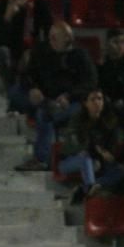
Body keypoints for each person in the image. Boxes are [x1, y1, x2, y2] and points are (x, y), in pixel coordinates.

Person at [13, 21, 97, 172]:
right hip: (44, 97)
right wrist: (33, 88)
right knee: (16, 92)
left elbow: (90, 83)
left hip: (72, 102)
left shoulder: (80, 56)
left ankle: (41, 159)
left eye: (55, 38)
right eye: (50, 37)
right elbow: (27, 74)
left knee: (45, 113)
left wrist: (69, 97)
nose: (51, 41)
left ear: (67, 38)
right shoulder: (43, 51)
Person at [57, 90, 124, 204]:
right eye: (93, 99)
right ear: (86, 103)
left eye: (100, 99)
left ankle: (87, 188)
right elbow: (71, 145)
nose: (97, 102)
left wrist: (109, 155)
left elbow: (114, 144)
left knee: (122, 170)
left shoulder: (109, 121)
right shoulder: (77, 119)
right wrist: (92, 150)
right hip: (71, 161)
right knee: (86, 157)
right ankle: (89, 191)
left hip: (99, 162)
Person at [0, 0, 51, 101]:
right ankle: (9, 94)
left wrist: (33, 51)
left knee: (35, 57)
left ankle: (30, 94)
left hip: (32, 51)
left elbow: (49, 32)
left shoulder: (38, 5)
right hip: (11, 51)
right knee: (2, 53)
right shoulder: (1, 7)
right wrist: (7, 18)